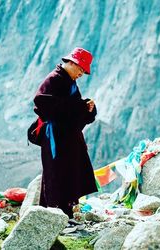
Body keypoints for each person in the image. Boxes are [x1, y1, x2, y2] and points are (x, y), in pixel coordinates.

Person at [33, 47, 98, 218]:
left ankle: (65, 212)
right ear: (71, 63)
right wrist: (79, 107)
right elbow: (41, 102)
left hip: (68, 137)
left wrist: (88, 109)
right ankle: (54, 213)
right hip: (55, 136)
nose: (81, 74)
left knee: (70, 171)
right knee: (56, 172)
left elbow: (74, 109)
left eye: (84, 71)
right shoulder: (54, 79)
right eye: (81, 69)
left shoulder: (70, 83)